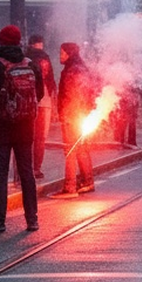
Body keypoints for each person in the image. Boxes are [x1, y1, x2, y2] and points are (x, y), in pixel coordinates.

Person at [0, 24, 42, 232]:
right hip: (25, 128)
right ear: (19, 41)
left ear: (1, 41)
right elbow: (38, 94)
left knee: (1, 173)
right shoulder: (31, 64)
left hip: (1, 127)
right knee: (27, 172)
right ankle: (32, 219)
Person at [55, 42, 97, 198]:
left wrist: (67, 115)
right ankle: (87, 182)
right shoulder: (81, 68)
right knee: (81, 148)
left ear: (69, 53)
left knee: (70, 149)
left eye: (63, 53)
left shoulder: (71, 71)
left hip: (72, 114)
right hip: (81, 113)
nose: (60, 56)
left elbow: (72, 94)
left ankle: (70, 186)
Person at [25, 33, 57, 178]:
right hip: (44, 101)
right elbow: (50, 79)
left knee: (27, 135)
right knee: (40, 137)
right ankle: (36, 167)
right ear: (40, 44)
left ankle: (24, 167)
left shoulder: (24, 58)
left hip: (27, 101)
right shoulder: (44, 58)